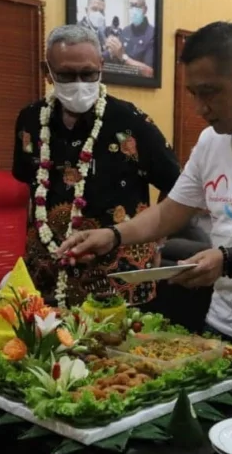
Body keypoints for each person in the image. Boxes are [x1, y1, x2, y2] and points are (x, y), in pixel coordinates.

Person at [59, 22, 232, 390]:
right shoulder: (210, 141)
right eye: (193, 94)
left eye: (209, 93)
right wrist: (113, 236)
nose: (199, 108)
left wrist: (229, 259)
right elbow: (170, 211)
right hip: (222, 323)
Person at [12, 24, 180, 307]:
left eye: (88, 73)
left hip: (117, 278)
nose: (79, 82)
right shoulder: (30, 120)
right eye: (66, 74)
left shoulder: (130, 121)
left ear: (102, 67)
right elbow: (27, 185)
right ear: (47, 71)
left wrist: (158, 239)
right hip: (48, 274)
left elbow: (177, 185)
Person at [105, 0, 155, 78]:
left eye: (136, 6)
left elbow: (149, 72)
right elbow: (116, 57)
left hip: (140, 87)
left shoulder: (152, 34)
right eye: (131, 6)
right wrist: (111, 49)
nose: (133, 10)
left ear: (145, 9)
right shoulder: (125, 31)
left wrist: (123, 57)